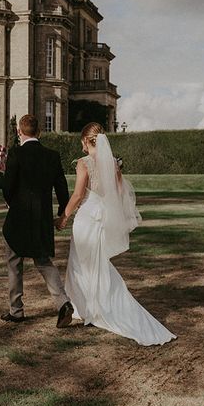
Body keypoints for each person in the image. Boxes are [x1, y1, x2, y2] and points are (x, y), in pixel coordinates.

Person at [58, 123, 176, 346]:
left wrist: (63, 217)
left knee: (80, 263)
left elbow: (77, 195)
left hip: (87, 217)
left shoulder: (83, 164)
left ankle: (85, 307)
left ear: (85, 141)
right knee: (97, 262)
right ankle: (91, 307)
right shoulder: (113, 164)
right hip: (101, 218)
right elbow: (121, 192)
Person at [1, 114, 73, 327]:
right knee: (43, 261)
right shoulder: (52, 155)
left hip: (18, 216)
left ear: (19, 132)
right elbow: (62, 188)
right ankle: (63, 303)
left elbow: (7, 187)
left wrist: (12, 203)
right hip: (41, 217)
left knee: (14, 262)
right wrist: (61, 213)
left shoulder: (15, 153)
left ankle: (16, 310)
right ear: (39, 132)